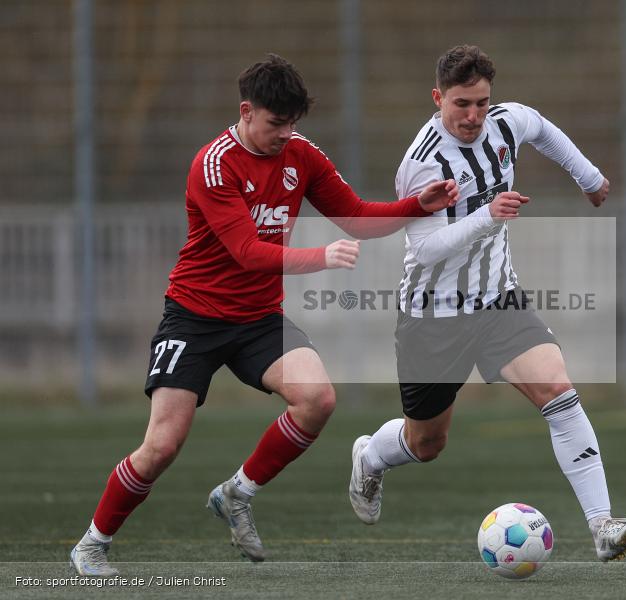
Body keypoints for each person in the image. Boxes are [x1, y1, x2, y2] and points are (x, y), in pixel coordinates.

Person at [69, 54, 458, 576]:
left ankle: (237, 492)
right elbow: (246, 251)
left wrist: (417, 205)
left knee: (318, 400)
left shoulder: (302, 155)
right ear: (247, 112)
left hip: (257, 319)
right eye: (276, 123)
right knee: (162, 444)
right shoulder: (214, 164)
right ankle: (93, 542)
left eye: (293, 123)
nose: (285, 134)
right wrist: (321, 257)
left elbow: (358, 218)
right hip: (195, 317)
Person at [348, 45, 626, 562]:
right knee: (426, 444)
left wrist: (589, 177)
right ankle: (371, 455)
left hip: (498, 299)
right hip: (433, 316)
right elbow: (425, 247)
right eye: (461, 104)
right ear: (438, 98)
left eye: (482, 103)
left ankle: (601, 525)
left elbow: (541, 127)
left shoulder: (505, 123)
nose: (473, 116)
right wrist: (488, 215)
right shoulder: (423, 164)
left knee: (559, 390)